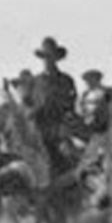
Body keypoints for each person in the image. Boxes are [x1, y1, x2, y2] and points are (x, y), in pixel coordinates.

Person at [29, 37, 81, 168]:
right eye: (46, 57)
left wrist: (65, 125)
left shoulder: (66, 80)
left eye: (51, 57)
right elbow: (29, 108)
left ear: (57, 58)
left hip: (61, 131)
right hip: (39, 132)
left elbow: (71, 105)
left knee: (72, 157)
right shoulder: (35, 82)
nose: (48, 61)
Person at [76, 69, 112, 134]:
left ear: (98, 79)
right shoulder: (85, 95)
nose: (88, 82)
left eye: (91, 79)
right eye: (87, 80)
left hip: (108, 125)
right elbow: (80, 109)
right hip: (90, 126)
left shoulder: (109, 91)